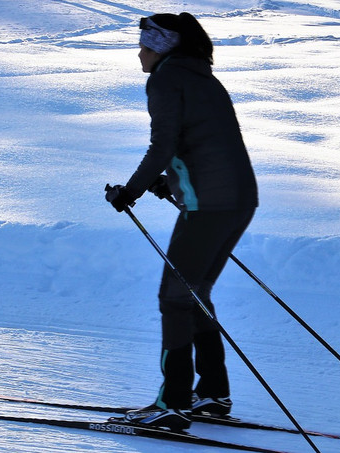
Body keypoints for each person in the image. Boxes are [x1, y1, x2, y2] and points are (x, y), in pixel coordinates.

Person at [105, 13, 258, 432]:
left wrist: (129, 191)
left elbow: (163, 144)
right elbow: (203, 143)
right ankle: (211, 395)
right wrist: (168, 180)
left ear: (162, 47)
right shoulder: (202, 76)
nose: (139, 52)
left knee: (175, 298)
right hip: (240, 199)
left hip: (209, 205)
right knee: (194, 294)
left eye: (145, 44)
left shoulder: (165, 78)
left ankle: (173, 404)